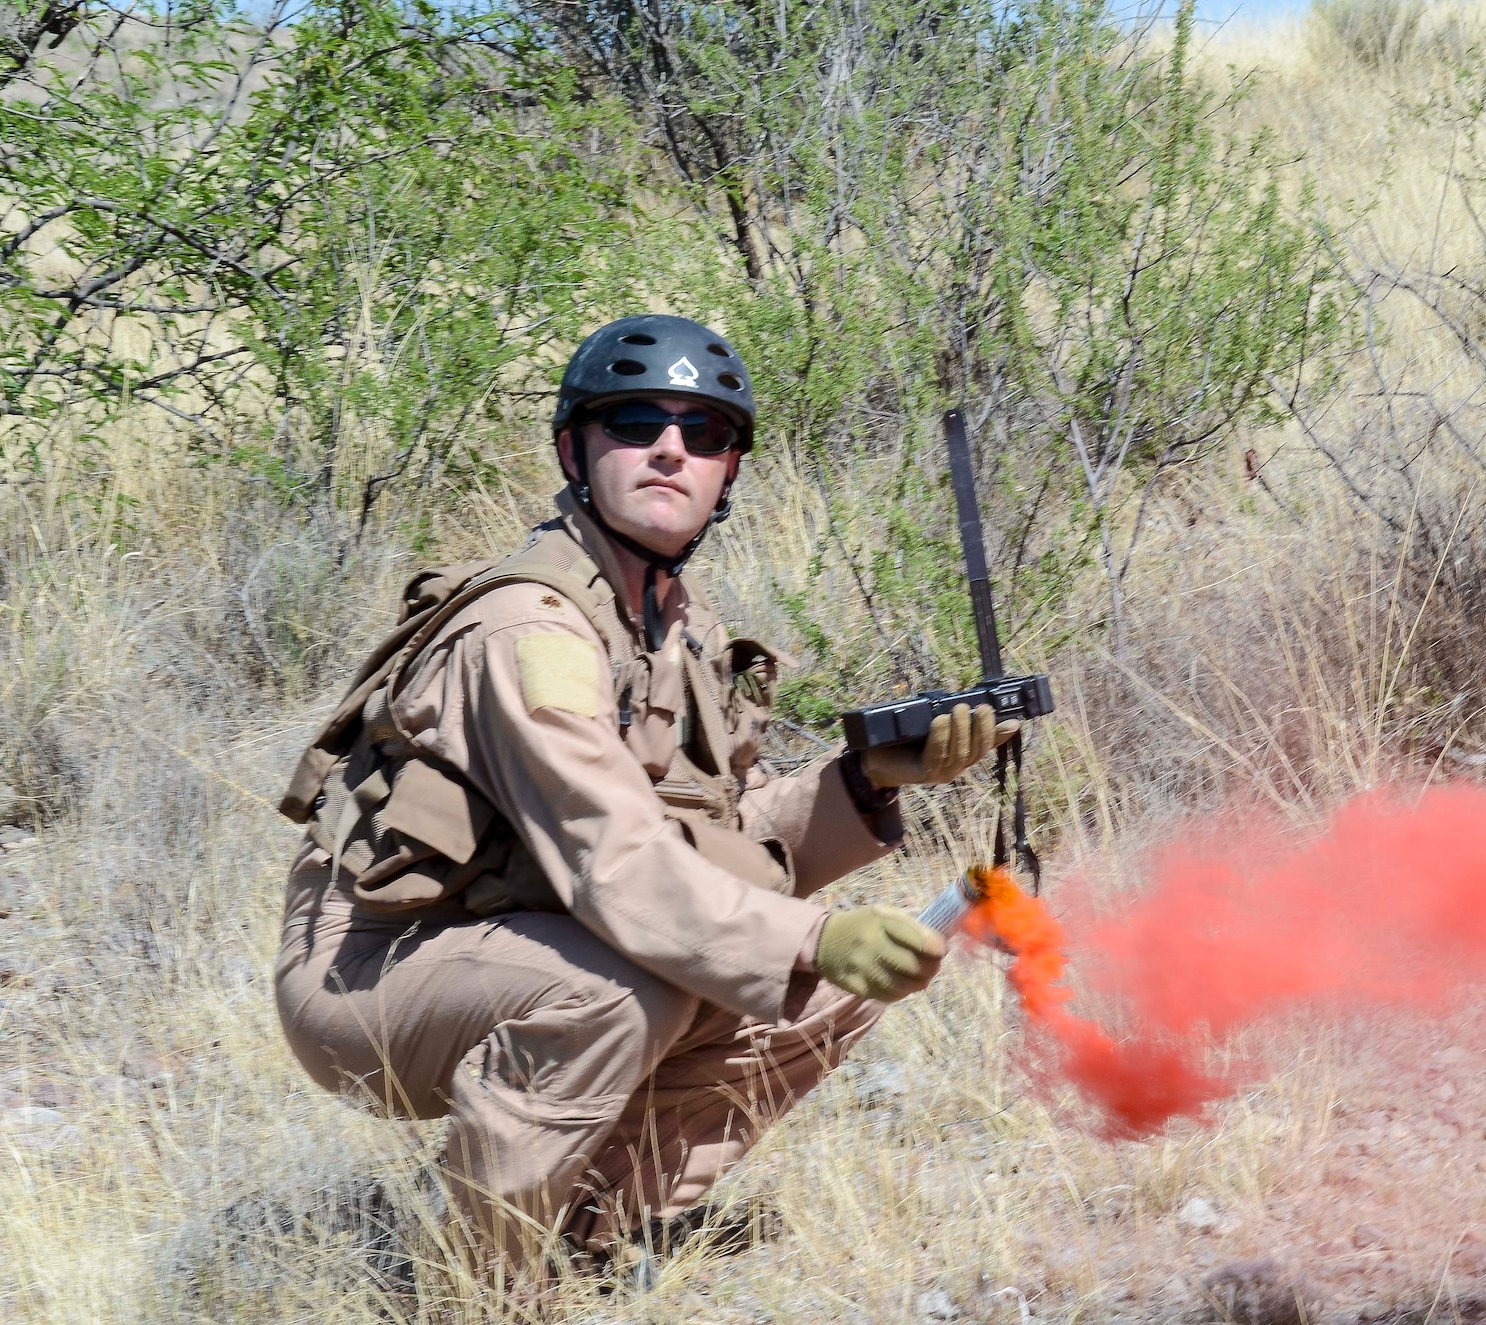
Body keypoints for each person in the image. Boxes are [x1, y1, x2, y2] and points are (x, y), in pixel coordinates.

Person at [271, 314, 1015, 1274]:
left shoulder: (675, 627)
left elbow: (719, 844)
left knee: (816, 983)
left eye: (703, 434)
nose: (671, 449)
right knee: (618, 994)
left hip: (511, 937)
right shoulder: (527, 630)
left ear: (729, 472)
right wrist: (807, 933)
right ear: (575, 449)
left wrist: (863, 781)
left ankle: (588, 1233)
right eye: (634, 422)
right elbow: (616, 858)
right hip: (368, 969)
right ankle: (483, 1283)